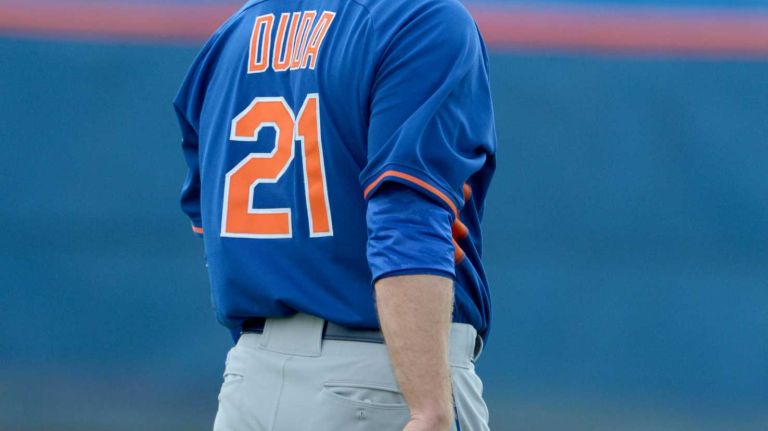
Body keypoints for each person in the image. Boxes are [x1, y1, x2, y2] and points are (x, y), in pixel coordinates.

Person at [174, 0, 496, 428]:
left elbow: (212, 226)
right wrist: (430, 407)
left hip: (248, 385)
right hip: (381, 384)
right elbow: (407, 218)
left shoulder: (231, 36)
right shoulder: (420, 18)